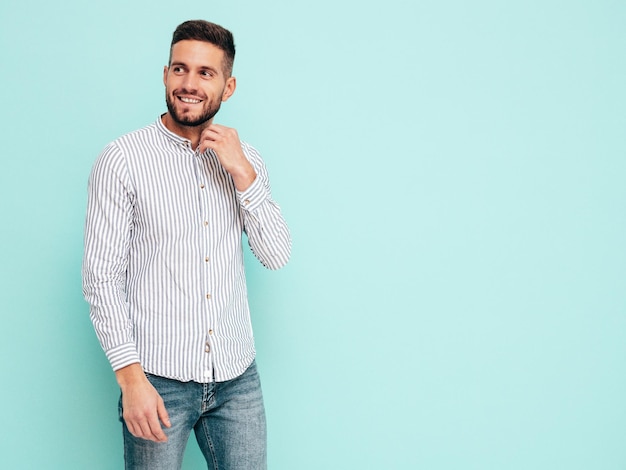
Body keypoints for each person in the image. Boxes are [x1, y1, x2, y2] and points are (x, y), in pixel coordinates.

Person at [82, 19, 291, 470]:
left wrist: (243, 175)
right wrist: (130, 379)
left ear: (228, 86)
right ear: (165, 74)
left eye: (205, 72)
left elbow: (275, 255)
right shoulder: (123, 160)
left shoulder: (245, 159)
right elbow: (101, 278)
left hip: (237, 377)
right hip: (157, 381)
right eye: (180, 69)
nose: (189, 84)